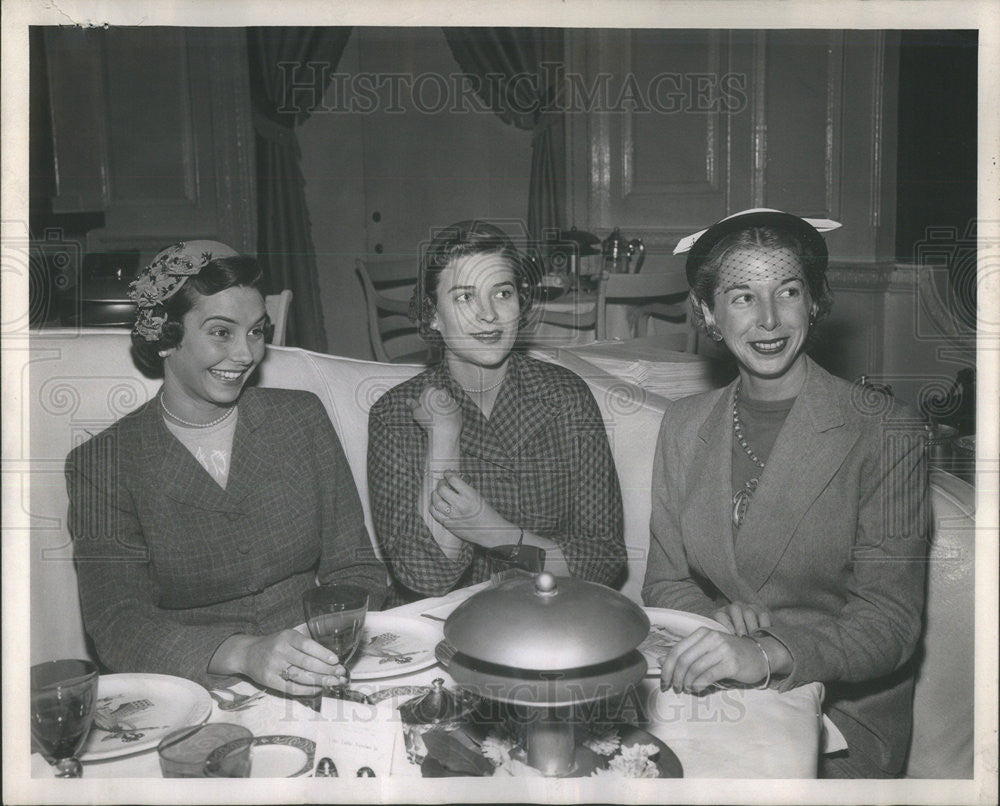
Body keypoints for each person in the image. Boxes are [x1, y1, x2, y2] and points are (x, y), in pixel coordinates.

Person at [641, 210, 929, 778]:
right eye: (742, 297)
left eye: (788, 291)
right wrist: (722, 622)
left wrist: (768, 652)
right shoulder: (683, 423)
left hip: (841, 719)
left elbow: (890, 625)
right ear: (708, 314)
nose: (769, 319)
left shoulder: (886, 431)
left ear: (815, 302)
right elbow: (665, 581)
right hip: (711, 690)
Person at [66, 241, 387, 694]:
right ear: (165, 334)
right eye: (221, 332)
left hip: (321, 660)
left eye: (256, 332)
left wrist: (323, 642)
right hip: (192, 684)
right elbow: (119, 625)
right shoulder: (101, 464)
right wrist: (241, 653)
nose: (245, 354)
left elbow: (356, 568)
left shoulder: (300, 419)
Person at [368, 221, 626, 600]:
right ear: (433, 315)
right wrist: (444, 438)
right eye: (464, 298)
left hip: (551, 616)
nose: (488, 315)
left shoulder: (566, 396)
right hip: (441, 626)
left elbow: (604, 558)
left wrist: (497, 533)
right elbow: (428, 578)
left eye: (502, 293)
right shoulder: (393, 415)